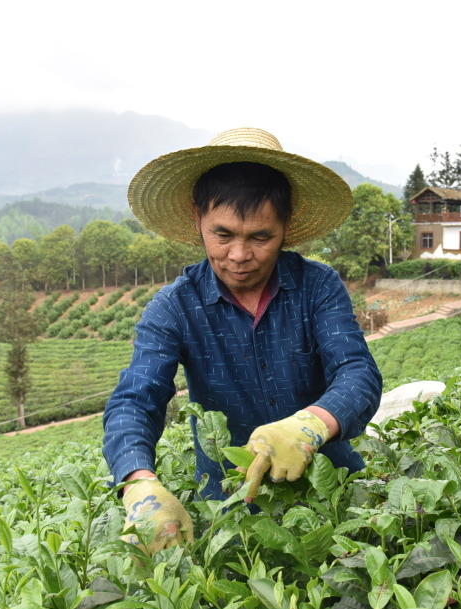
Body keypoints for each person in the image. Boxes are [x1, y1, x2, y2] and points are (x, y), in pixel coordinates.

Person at [102, 127, 383, 553]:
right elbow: (135, 399)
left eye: (260, 237)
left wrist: (310, 425)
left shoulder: (317, 286)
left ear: (285, 228)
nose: (238, 255)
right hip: (233, 513)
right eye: (223, 234)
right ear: (198, 219)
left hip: (334, 493)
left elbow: (358, 372)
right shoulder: (175, 307)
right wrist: (138, 482)